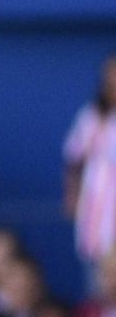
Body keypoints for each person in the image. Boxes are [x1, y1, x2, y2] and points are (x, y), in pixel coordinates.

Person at [63, 52, 116, 286]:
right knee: (98, 287)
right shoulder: (92, 116)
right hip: (96, 217)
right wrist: (72, 195)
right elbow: (74, 158)